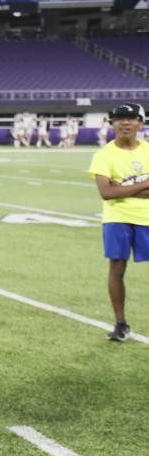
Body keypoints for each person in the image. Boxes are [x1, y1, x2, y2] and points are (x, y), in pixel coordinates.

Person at [87, 103, 149, 343]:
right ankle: (121, 323)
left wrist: (122, 188)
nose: (125, 122)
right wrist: (145, 185)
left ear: (140, 124)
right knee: (117, 269)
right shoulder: (104, 154)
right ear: (112, 124)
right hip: (117, 218)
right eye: (120, 119)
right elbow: (107, 193)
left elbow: (115, 190)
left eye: (131, 119)